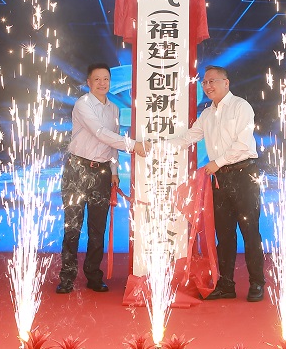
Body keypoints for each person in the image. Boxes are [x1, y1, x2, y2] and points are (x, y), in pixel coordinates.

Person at [163, 65, 264, 302]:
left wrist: (216, 163)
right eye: (205, 83)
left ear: (226, 83)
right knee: (224, 234)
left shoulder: (240, 107)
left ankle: (257, 283)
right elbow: (188, 137)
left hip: (244, 175)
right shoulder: (207, 114)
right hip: (219, 180)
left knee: (250, 232)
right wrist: (157, 147)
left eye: (212, 81)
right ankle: (226, 284)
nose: (208, 86)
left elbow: (243, 143)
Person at [57, 63, 147, 294]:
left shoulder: (113, 109)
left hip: (102, 173)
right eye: (97, 79)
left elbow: (112, 142)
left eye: (106, 79)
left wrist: (114, 171)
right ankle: (67, 277)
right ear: (89, 82)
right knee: (72, 226)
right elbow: (100, 133)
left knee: (98, 228)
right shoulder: (83, 104)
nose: (102, 83)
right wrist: (133, 145)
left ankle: (93, 275)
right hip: (77, 170)